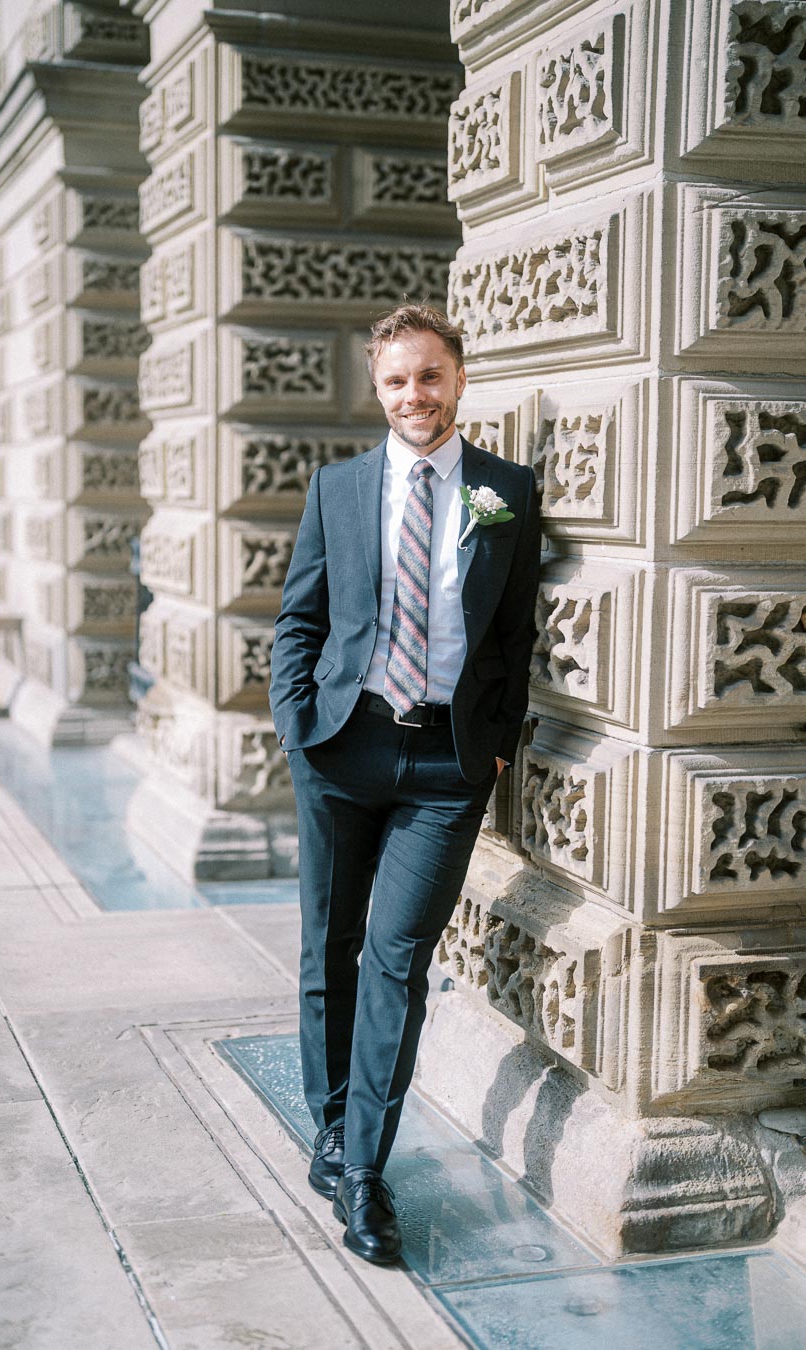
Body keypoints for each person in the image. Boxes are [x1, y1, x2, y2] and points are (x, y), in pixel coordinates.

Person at [269, 303, 540, 1264]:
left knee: (395, 957)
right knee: (328, 947)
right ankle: (332, 1123)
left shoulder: (506, 489)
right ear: (376, 389)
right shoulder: (338, 489)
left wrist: (496, 743)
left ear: (457, 377)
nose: (413, 395)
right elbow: (298, 618)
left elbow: (513, 635)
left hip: (445, 767)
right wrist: (298, 723)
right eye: (395, 380)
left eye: (428, 376)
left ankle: (362, 1172)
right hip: (344, 746)